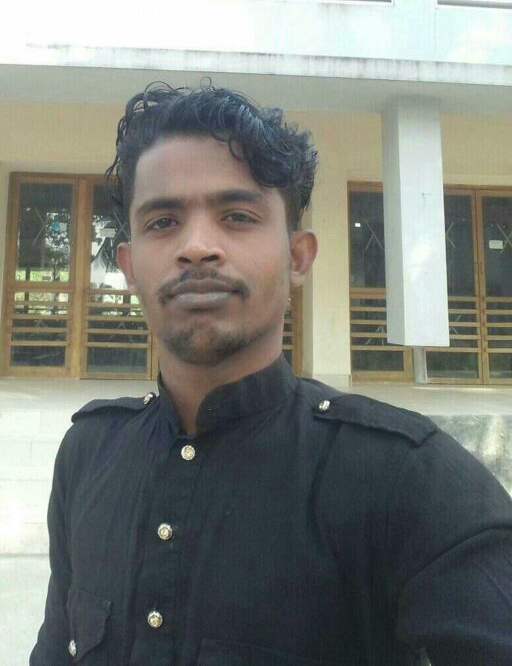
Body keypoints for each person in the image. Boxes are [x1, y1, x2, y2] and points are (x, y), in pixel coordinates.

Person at [30, 83, 512, 666]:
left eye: (237, 216)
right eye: (163, 221)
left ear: (298, 256)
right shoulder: (88, 455)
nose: (197, 247)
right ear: (130, 267)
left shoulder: (410, 479)